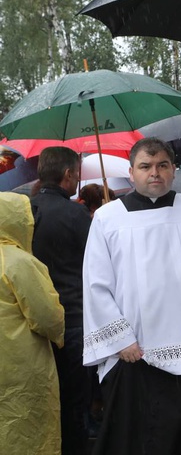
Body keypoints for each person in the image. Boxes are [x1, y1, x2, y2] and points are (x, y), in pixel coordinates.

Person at [82, 137, 181, 455]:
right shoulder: (108, 219)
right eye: (146, 166)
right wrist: (119, 339)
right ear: (131, 172)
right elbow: (96, 284)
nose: (155, 172)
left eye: (162, 165)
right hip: (138, 355)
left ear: (173, 170)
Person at [31, 146, 92, 455]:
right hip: (74, 320)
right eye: (77, 173)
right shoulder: (76, 213)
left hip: (33, 323)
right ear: (69, 175)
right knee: (75, 402)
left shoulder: (26, 212)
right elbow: (96, 264)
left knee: (44, 399)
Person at [0, 192, 65, 455]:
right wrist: (60, 334)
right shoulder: (19, 262)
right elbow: (48, 317)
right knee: (26, 432)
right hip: (20, 366)